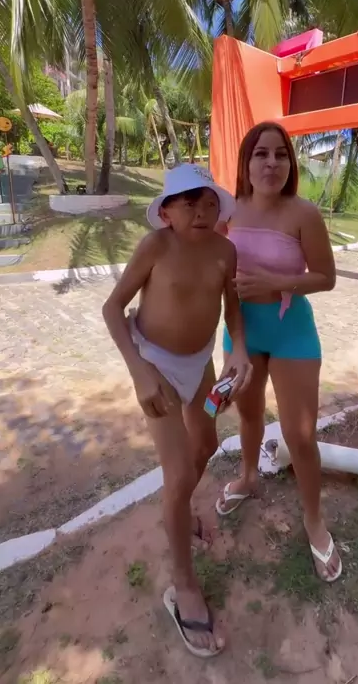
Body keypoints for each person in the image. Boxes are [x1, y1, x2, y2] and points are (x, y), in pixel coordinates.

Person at [102, 163, 252, 658]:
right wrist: (139, 373)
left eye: (209, 203)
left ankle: (179, 508)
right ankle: (183, 585)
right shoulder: (155, 247)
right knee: (178, 472)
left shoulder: (225, 251)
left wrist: (238, 350)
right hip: (156, 365)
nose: (201, 212)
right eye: (189, 203)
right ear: (166, 212)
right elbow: (112, 308)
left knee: (206, 444)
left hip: (200, 364)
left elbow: (232, 310)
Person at [215, 122, 342, 582]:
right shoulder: (227, 212)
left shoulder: (304, 213)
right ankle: (249, 477)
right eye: (261, 154)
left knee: (300, 435)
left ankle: (314, 520)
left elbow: (326, 277)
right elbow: (215, 275)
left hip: (292, 333)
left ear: (290, 163)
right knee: (248, 416)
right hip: (242, 332)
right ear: (246, 163)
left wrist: (276, 282)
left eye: (281, 154)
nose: (271, 163)